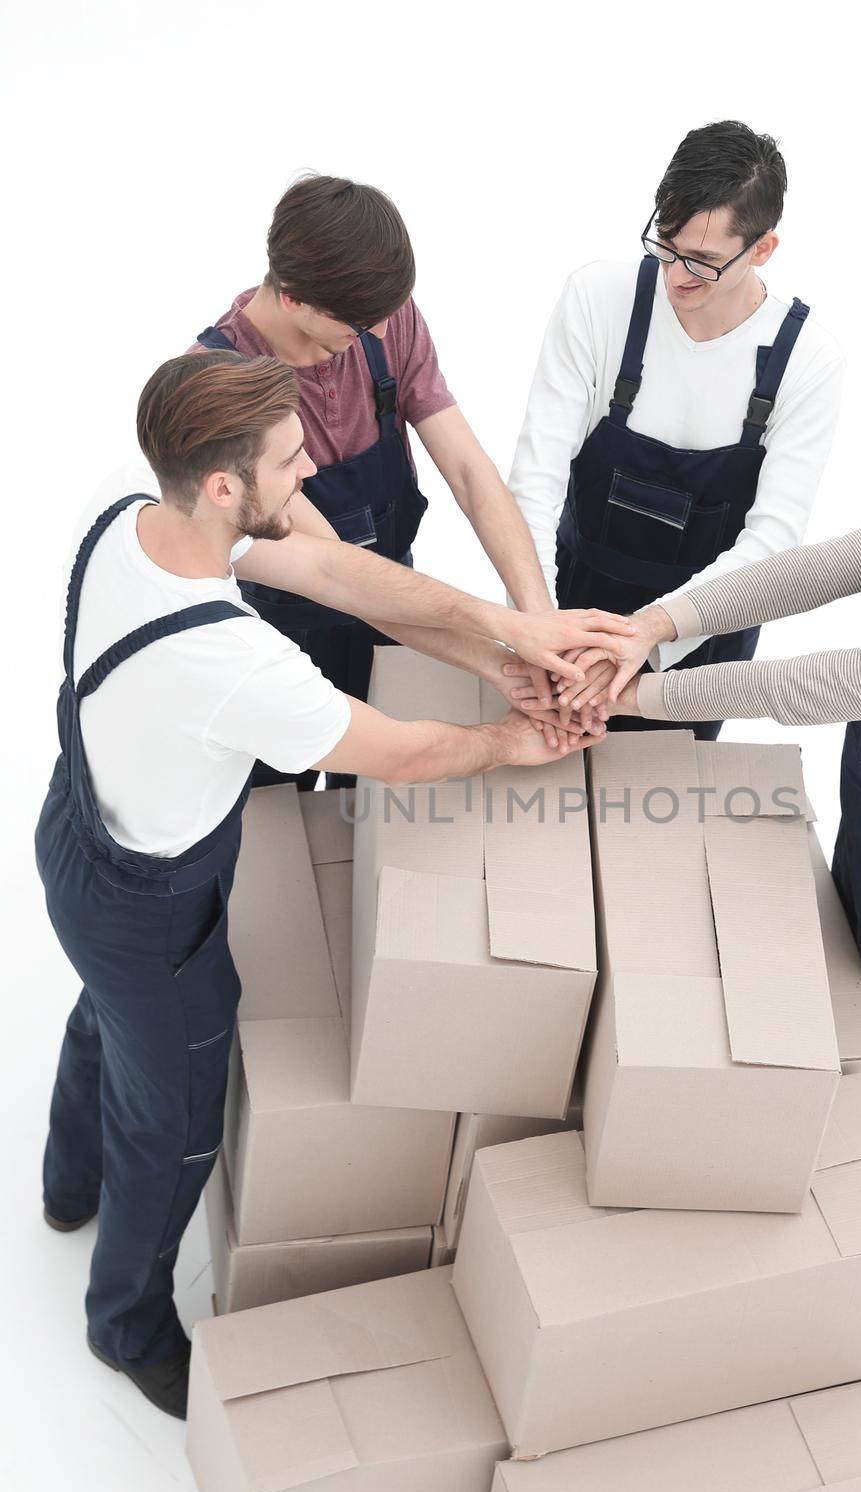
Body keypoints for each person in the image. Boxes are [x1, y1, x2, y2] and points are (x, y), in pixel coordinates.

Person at [37, 350, 623, 1418]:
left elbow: (335, 574)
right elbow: (399, 755)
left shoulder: (119, 512)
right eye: (288, 460)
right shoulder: (234, 665)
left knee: (102, 1013)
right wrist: (506, 744)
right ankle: (124, 1322)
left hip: (76, 827)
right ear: (225, 487)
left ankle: (65, 1184)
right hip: (149, 903)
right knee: (173, 1126)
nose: (308, 473)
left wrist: (506, 638)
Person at [528, 367, 861, 1180]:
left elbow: (804, 686)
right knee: (840, 998)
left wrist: (633, 693)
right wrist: (656, 625)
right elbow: (816, 569)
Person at [194, 173, 560, 783]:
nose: (385, 335)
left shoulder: (381, 316)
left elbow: (470, 472)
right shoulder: (217, 388)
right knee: (275, 812)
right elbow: (337, 573)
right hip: (281, 629)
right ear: (293, 299)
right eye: (362, 327)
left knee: (371, 798)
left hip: (395, 599)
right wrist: (505, 656)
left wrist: (537, 619)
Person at [508, 120, 844, 739]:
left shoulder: (807, 360)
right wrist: (538, 630)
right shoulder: (598, 299)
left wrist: (645, 644)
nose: (676, 275)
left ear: (763, 249)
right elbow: (536, 475)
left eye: (704, 261)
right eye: (665, 246)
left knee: (660, 828)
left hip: (702, 643)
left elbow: (771, 543)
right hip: (574, 611)